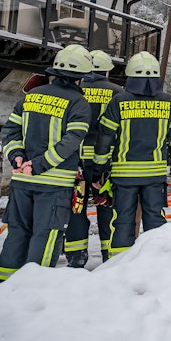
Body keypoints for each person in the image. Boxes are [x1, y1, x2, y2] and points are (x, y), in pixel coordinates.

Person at [0, 45, 92, 284]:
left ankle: (2, 285)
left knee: (17, 232)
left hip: (21, 181)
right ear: (80, 78)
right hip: (54, 183)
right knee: (46, 234)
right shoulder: (79, 104)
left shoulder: (30, 97)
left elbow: (10, 131)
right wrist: (38, 164)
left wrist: (16, 156)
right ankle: (33, 288)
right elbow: (70, 142)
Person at [94, 51, 171, 258]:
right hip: (155, 175)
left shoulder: (119, 102)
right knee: (155, 219)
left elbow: (104, 138)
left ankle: (119, 264)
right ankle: (155, 262)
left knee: (123, 219)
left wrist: (99, 168)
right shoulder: (169, 103)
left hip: (124, 175)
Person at [64, 49, 122, 267]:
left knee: (76, 208)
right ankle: (109, 257)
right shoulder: (117, 92)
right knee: (107, 207)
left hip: (75, 161)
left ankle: (76, 257)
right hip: (104, 161)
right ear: (107, 71)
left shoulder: (74, 90)